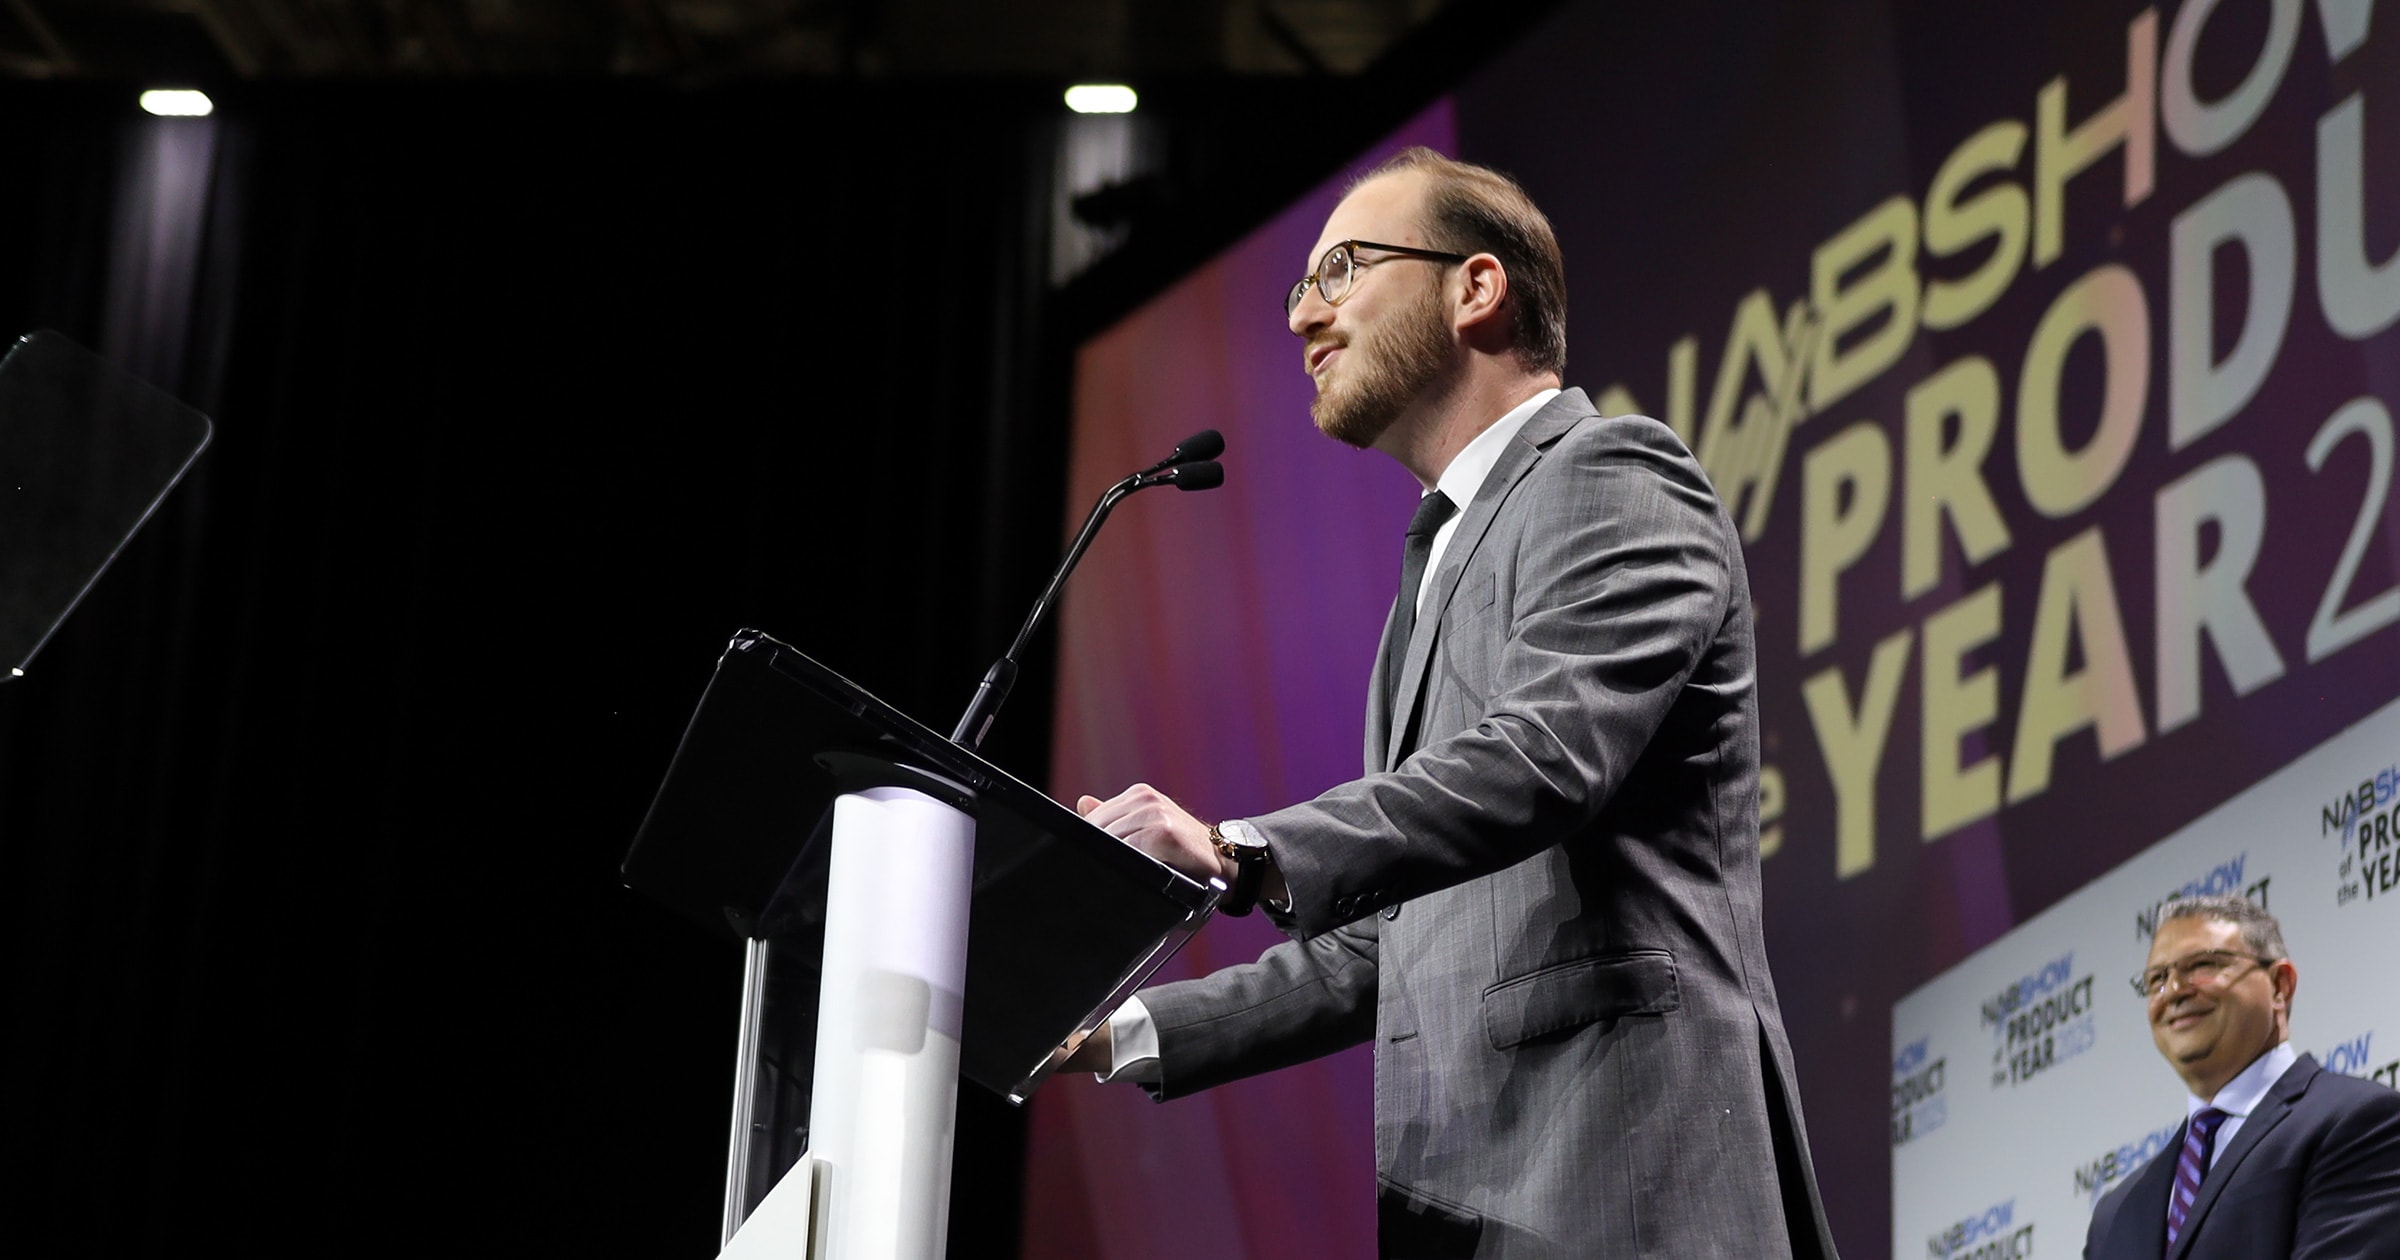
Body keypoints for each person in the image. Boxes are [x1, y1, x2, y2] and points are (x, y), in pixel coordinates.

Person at [1063, 148, 1840, 1258]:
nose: (1302, 319)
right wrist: (1113, 1034)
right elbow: (1393, 943)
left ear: (1475, 288)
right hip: (1476, 1206)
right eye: (1297, 287)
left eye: (1340, 270)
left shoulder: (1612, 471)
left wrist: (1238, 848)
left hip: (1628, 1183)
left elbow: (1547, 756)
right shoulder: (1422, 586)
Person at [2084, 894, 2400, 1259]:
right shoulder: (2115, 1213)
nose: (2174, 991)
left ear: (2280, 985)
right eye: (2157, 979)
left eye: (2202, 964)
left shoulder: (2357, 1122)